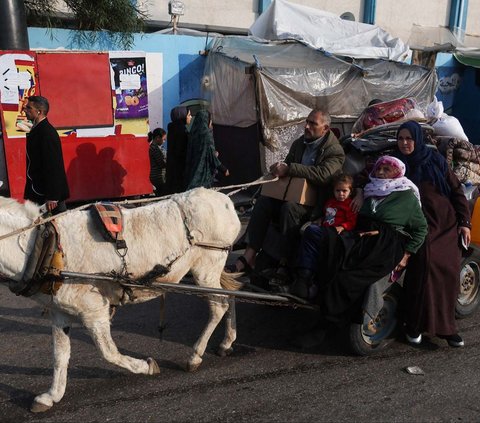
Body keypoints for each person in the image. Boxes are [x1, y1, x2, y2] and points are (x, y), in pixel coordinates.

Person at [292, 155, 428, 347]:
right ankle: (304, 279)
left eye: (386, 170)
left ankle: (327, 326)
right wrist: (359, 193)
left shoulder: (406, 195)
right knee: (321, 239)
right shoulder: (369, 190)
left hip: (386, 245)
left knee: (347, 278)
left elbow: (421, 228)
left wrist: (407, 254)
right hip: (361, 236)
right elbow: (348, 187)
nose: (380, 173)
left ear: (397, 173)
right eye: (378, 169)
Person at [227, 108, 345, 281]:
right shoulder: (299, 143)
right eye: (307, 121)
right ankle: (248, 257)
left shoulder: (335, 151)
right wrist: (279, 168)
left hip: (315, 207)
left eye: (313, 123)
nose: (307, 126)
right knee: (264, 202)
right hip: (290, 196)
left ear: (325, 129)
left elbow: (323, 174)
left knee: (289, 208)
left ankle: (285, 263)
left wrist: (290, 169)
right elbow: (288, 164)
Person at [396, 120, 471, 348]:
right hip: (418, 225)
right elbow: (370, 178)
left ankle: (447, 328)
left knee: (448, 268)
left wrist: (465, 222)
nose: (405, 143)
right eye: (401, 139)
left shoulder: (435, 160)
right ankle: (414, 324)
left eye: (409, 138)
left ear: (417, 139)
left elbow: (457, 190)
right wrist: (359, 192)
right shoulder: (394, 163)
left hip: (445, 223)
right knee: (426, 264)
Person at [289, 173, 358, 298]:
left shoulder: (349, 205)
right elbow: (327, 216)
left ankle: (305, 276)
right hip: (325, 230)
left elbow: (351, 222)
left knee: (310, 232)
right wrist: (320, 220)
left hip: (338, 234)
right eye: (338, 191)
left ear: (350, 191)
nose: (341, 194)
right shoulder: (330, 203)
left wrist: (342, 227)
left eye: (344, 191)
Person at [22, 95, 69, 215]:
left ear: (39, 112)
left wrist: (53, 196)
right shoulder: (37, 130)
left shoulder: (46, 133)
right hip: (38, 188)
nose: (24, 109)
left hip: (48, 193)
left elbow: (54, 165)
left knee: (59, 225)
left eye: (28, 108)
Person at [184, 109, 229, 190]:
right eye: (210, 119)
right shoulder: (206, 135)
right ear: (206, 120)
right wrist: (223, 168)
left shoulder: (193, 133)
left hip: (192, 171)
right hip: (203, 174)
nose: (211, 122)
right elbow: (211, 155)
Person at [165, 107, 192, 194]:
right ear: (182, 116)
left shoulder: (173, 129)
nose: (190, 117)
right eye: (189, 115)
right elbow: (181, 152)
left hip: (172, 170)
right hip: (179, 171)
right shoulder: (181, 131)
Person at [148, 128, 167, 196]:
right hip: (159, 176)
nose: (164, 141)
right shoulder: (155, 148)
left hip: (156, 176)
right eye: (164, 139)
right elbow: (162, 164)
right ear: (158, 138)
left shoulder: (156, 147)